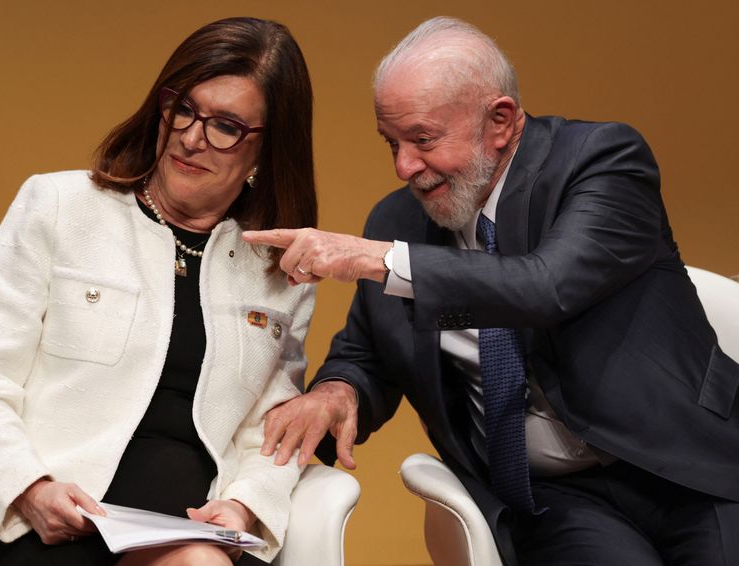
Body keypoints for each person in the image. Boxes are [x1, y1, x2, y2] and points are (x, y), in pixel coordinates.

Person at [243, 16, 739, 566]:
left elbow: (546, 286)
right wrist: (338, 391)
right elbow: (368, 353)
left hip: (687, 465)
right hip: (555, 499)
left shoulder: (600, 161)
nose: (405, 166)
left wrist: (375, 258)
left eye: (423, 140)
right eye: (392, 143)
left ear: (500, 121)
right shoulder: (398, 221)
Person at [0, 16, 316, 566]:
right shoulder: (59, 206)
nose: (192, 137)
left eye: (227, 126)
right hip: (49, 522)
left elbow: (272, 432)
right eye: (183, 108)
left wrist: (241, 507)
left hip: (184, 530)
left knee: (201, 563)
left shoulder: (281, 268)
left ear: (266, 147)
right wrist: (29, 488)